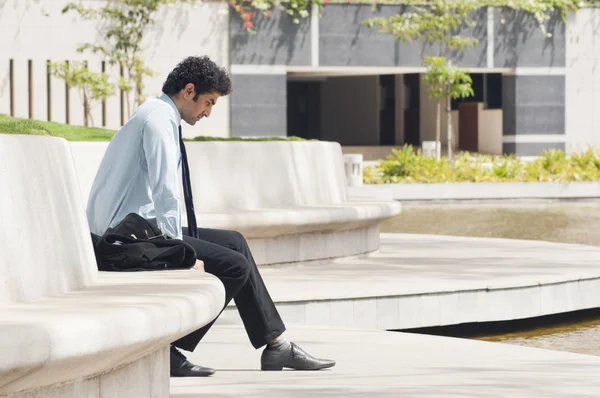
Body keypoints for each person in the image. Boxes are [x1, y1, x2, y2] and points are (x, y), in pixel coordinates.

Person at [86, 55, 335, 377]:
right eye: (208, 102)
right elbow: (165, 191)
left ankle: (277, 345)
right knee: (234, 266)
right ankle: (170, 350)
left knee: (235, 242)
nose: (208, 112)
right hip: (120, 240)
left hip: (133, 229)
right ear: (189, 91)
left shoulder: (157, 113)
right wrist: (180, 253)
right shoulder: (158, 121)